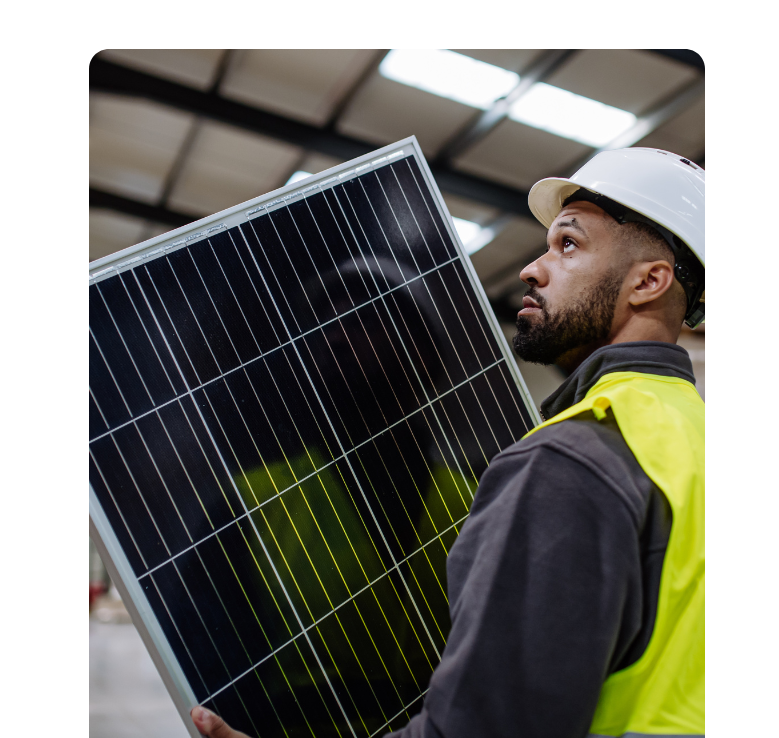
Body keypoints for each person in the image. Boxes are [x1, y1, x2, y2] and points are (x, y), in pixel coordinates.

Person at [190, 147, 706, 738]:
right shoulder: (684, 438)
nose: (531, 270)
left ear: (648, 282)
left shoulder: (569, 460)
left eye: (568, 244)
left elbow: (487, 726)